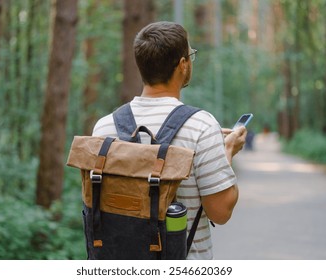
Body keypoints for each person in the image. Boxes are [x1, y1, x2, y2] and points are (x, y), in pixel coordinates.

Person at [92, 21, 247, 259]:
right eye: (190, 55)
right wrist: (227, 152)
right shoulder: (201, 127)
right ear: (182, 65)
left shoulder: (103, 127)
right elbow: (221, 212)